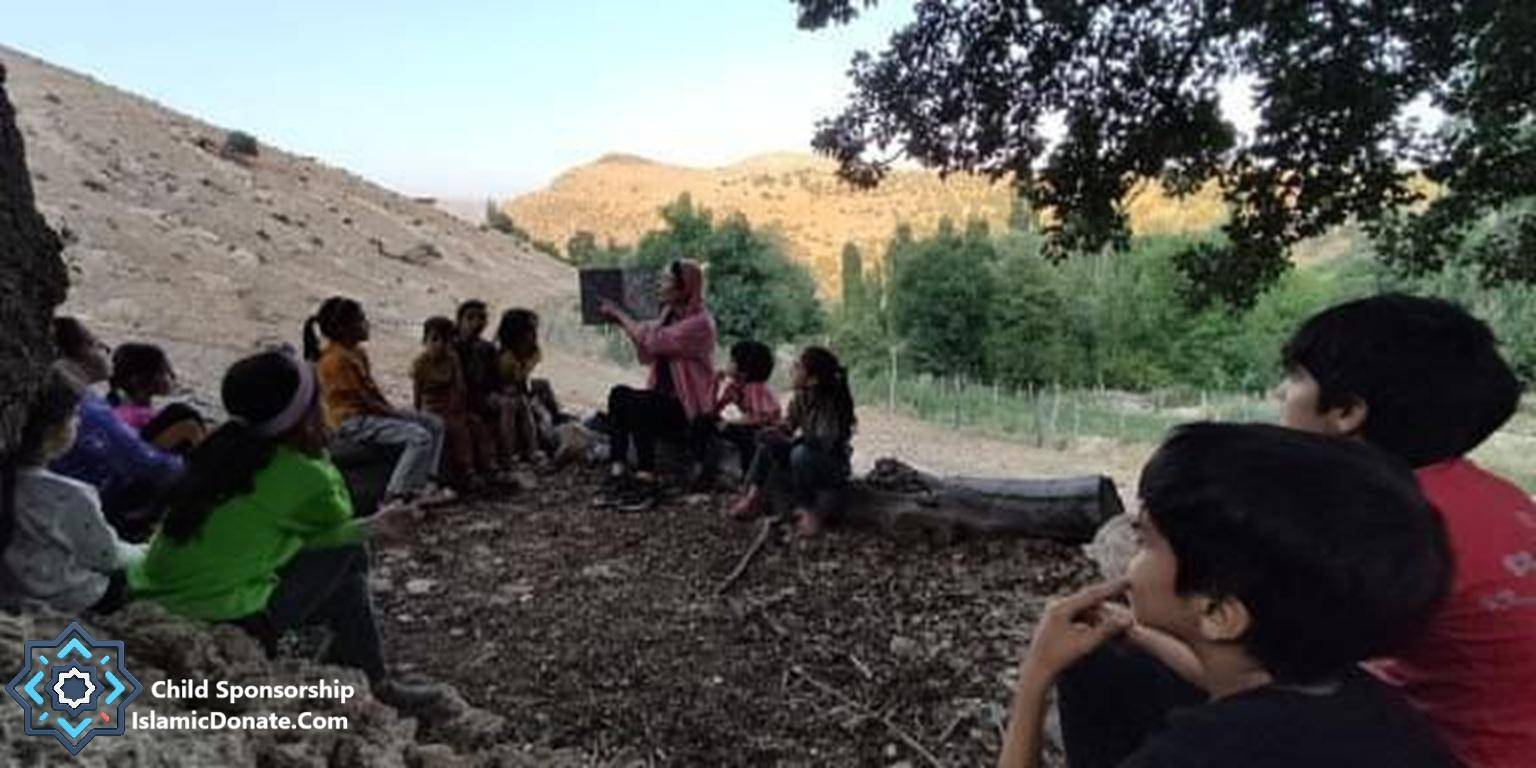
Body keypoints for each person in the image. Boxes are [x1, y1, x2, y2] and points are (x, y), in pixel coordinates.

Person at [999, 423, 1458, 768]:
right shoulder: (1383, 712)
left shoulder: (1197, 754)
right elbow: (1238, 674)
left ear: (1219, 613)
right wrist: (1134, 631)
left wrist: (1037, 673)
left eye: (1146, 542)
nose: (1132, 561)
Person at [1274, 293, 1536, 766]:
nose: (1281, 394)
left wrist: (1131, 625)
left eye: (1294, 377)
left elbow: (1258, 666)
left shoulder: (1379, 520)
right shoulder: (1500, 496)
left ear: (1346, 412)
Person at [130, 351, 442, 708]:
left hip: (161, 595)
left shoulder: (228, 449)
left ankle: (359, 664)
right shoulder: (303, 474)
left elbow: (305, 533)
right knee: (349, 554)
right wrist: (323, 455)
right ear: (303, 413)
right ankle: (370, 675)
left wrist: (370, 526)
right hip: (224, 620)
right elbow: (335, 524)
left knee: (349, 555)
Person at [1, 367, 143, 615]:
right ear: (52, 433)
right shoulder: (68, 495)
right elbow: (107, 557)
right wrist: (143, 551)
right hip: (73, 598)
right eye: (75, 415)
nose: (79, 421)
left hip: (12, 593)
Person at [303, 297, 454, 508]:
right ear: (344, 328)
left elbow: (371, 392)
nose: (366, 324)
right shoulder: (335, 360)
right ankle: (396, 494)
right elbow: (362, 401)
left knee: (434, 423)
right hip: (352, 421)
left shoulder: (356, 353)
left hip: (369, 414)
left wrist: (394, 412)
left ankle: (428, 481)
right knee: (419, 437)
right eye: (360, 320)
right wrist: (393, 414)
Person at [595, 259, 718, 512]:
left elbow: (653, 342)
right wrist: (629, 327)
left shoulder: (700, 324)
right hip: (661, 402)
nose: (659, 286)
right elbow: (647, 355)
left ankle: (646, 479)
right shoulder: (668, 316)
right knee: (619, 394)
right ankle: (618, 471)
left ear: (685, 287)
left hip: (688, 411)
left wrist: (620, 315)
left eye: (666, 281)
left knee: (642, 403)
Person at [49, 317, 184, 540]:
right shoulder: (86, 406)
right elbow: (145, 462)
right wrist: (196, 470)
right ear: (72, 357)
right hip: (93, 505)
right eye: (95, 344)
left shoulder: (87, 399)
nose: (106, 349)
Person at [726, 346, 855, 537]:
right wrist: (777, 430)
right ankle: (753, 496)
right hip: (808, 452)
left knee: (800, 454)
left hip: (830, 463)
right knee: (768, 441)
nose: (792, 371)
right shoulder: (801, 397)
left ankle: (809, 511)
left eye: (797, 367)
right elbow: (789, 424)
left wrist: (791, 442)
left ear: (812, 379)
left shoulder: (828, 404)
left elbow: (823, 442)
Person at [411, 316, 490, 489]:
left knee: (473, 425)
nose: (439, 345)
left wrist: (457, 407)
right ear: (425, 340)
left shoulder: (452, 359)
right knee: (452, 429)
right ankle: (463, 473)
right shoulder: (420, 364)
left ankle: (484, 468)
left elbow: (459, 387)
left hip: (452, 406)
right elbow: (417, 395)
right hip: (431, 407)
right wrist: (418, 415)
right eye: (434, 339)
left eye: (445, 341)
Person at [105, 342, 207, 454]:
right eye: (164, 371)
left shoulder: (115, 409)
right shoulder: (143, 417)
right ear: (140, 379)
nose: (172, 376)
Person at [707, 340, 782, 480]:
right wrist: (715, 384)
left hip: (762, 431)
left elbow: (765, 418)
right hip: (746, 426)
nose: (728, 364)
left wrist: (734, 423)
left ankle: (747, 478)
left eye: (732, 361)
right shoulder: (735, 387)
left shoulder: (756, 388)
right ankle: (701, 465)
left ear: (744, 370)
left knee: (747, 439)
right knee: (703, 421)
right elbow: (712, 410)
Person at [454, 300, 507, 472]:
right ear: (459, 321)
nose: (476, 323)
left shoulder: (487, 349)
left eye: (481, 318)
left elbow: (495, 380)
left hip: (481, 398)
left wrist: (495, 394)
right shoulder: (451, 349)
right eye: (470, 318)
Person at [494, 308, 546, 465]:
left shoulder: (527, 353)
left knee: (526, 403)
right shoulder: (506, 358)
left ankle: (532, 449)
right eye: (530, 331)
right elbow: (511, 379)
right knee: (514, 405)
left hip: (516, 392)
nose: (534, 336)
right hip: (500, 394)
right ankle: (509, 453)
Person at [106, 343, 175, 431]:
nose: (172, 376)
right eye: (164, 372)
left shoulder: (112, 410)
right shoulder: (147, 419)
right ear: (138, 379)